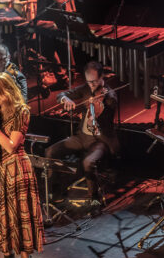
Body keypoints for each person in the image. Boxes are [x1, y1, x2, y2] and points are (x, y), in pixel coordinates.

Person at [0, 72, 43, 258]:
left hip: (16, 168)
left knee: (19, 217)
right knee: (2, 217)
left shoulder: (21, 111)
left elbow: (10, 145)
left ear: (6, 91)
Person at [45, 61, 118, 208]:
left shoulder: (110, 97)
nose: (91, 85)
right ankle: (57, 191)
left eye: (95, 81)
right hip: (81, 137)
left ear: (102, 77)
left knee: (88, 162)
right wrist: (65, 99)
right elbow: (62, 94)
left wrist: (95, 113)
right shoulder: (86, 89)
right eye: (88, 81)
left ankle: (94, 198)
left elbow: (104, 119)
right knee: (50, 151)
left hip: (100, 140)